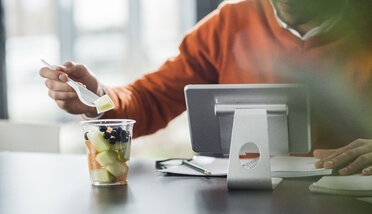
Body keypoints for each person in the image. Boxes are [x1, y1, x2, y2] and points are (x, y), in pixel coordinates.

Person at [40, 0, 372, 175]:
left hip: (344, 203)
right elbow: (150, 98)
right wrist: (94, 99)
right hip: (240, 204)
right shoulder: (228, 22)